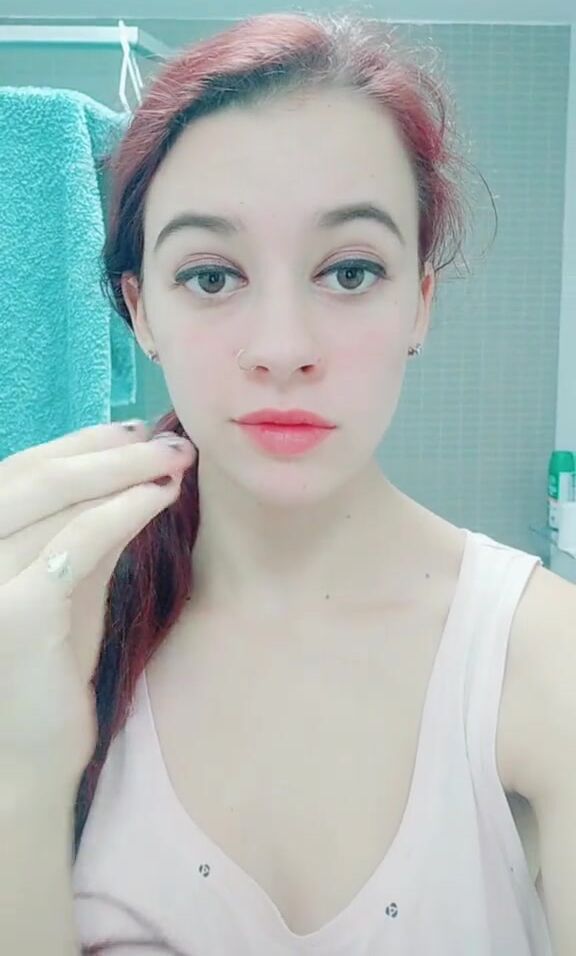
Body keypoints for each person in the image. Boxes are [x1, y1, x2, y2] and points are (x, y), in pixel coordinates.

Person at [1, 11, 574, 956]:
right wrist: (21, 768)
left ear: (419, 303)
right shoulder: (56, 632)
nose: (281, 348)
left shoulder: (547, 657)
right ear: (141, 313)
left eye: (349, 272)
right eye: (211, 277)